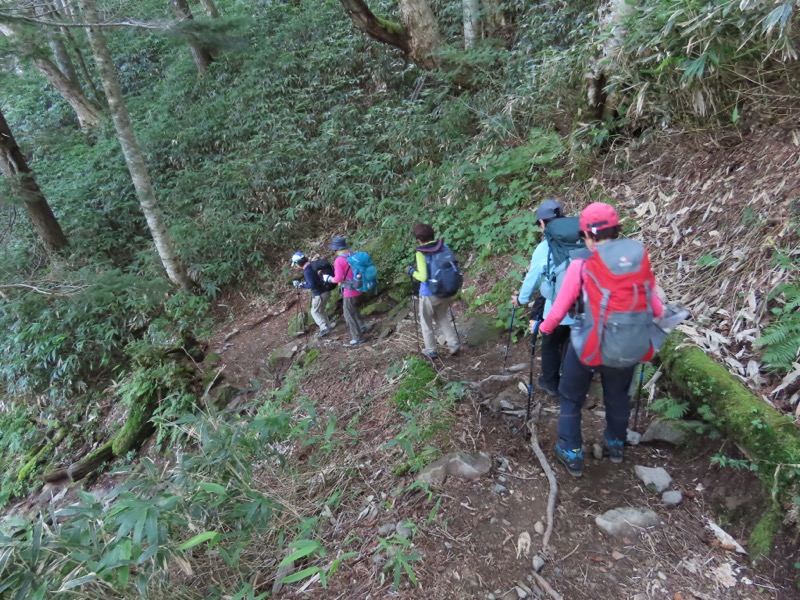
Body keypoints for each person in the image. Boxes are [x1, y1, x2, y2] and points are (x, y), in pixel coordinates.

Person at [538, 202, 664, 477]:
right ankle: (616, 445)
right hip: (627, 343)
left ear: (588, 235)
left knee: (570, 397)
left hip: (588, 343)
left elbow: (561, 306)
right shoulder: (634, 261)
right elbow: (655, 307)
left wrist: (545, 328)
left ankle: (571, 453)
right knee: (618, 397)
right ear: (616, 231)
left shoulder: (580, 263)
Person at [512, 199, 576, 397]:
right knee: (569, 345)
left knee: (549, 345)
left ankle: (550, 383)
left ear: (542, 223)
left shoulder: (544, 248)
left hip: (555, 309)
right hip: (580, 307)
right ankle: (570, 383)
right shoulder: (582, 239)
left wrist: (521, 300)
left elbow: (532, 279)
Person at [409, 223, 460, 359]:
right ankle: (453, 343)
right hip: (444, 290)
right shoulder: (444, 247)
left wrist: (412, 272)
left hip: (428, 293)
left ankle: (431, 350)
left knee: (426, 322)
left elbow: (423, 277)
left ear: (419, 239)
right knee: (442, 317)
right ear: (433, 235)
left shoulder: (421, 253)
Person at [322, 236, 369, 346]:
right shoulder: (353, 254)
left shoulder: (339, 260)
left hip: (349, 291)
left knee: (348, 314)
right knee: (354, 309)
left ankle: (357, 337)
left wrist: (328, 279)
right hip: (360, 287)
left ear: (335, 249)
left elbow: (338, 278)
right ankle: (362, 327)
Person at [291, 251, 336, 337]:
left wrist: (300, 284)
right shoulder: (312, 265)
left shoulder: (307, 271)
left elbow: (312, 284)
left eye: (295, 264)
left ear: (298, 263)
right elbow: (314, 280)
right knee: (321, 310)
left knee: (314, 311)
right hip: (326, 290)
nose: (296, 266)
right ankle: (328, 325)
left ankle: (324, 327)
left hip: (319, 294)